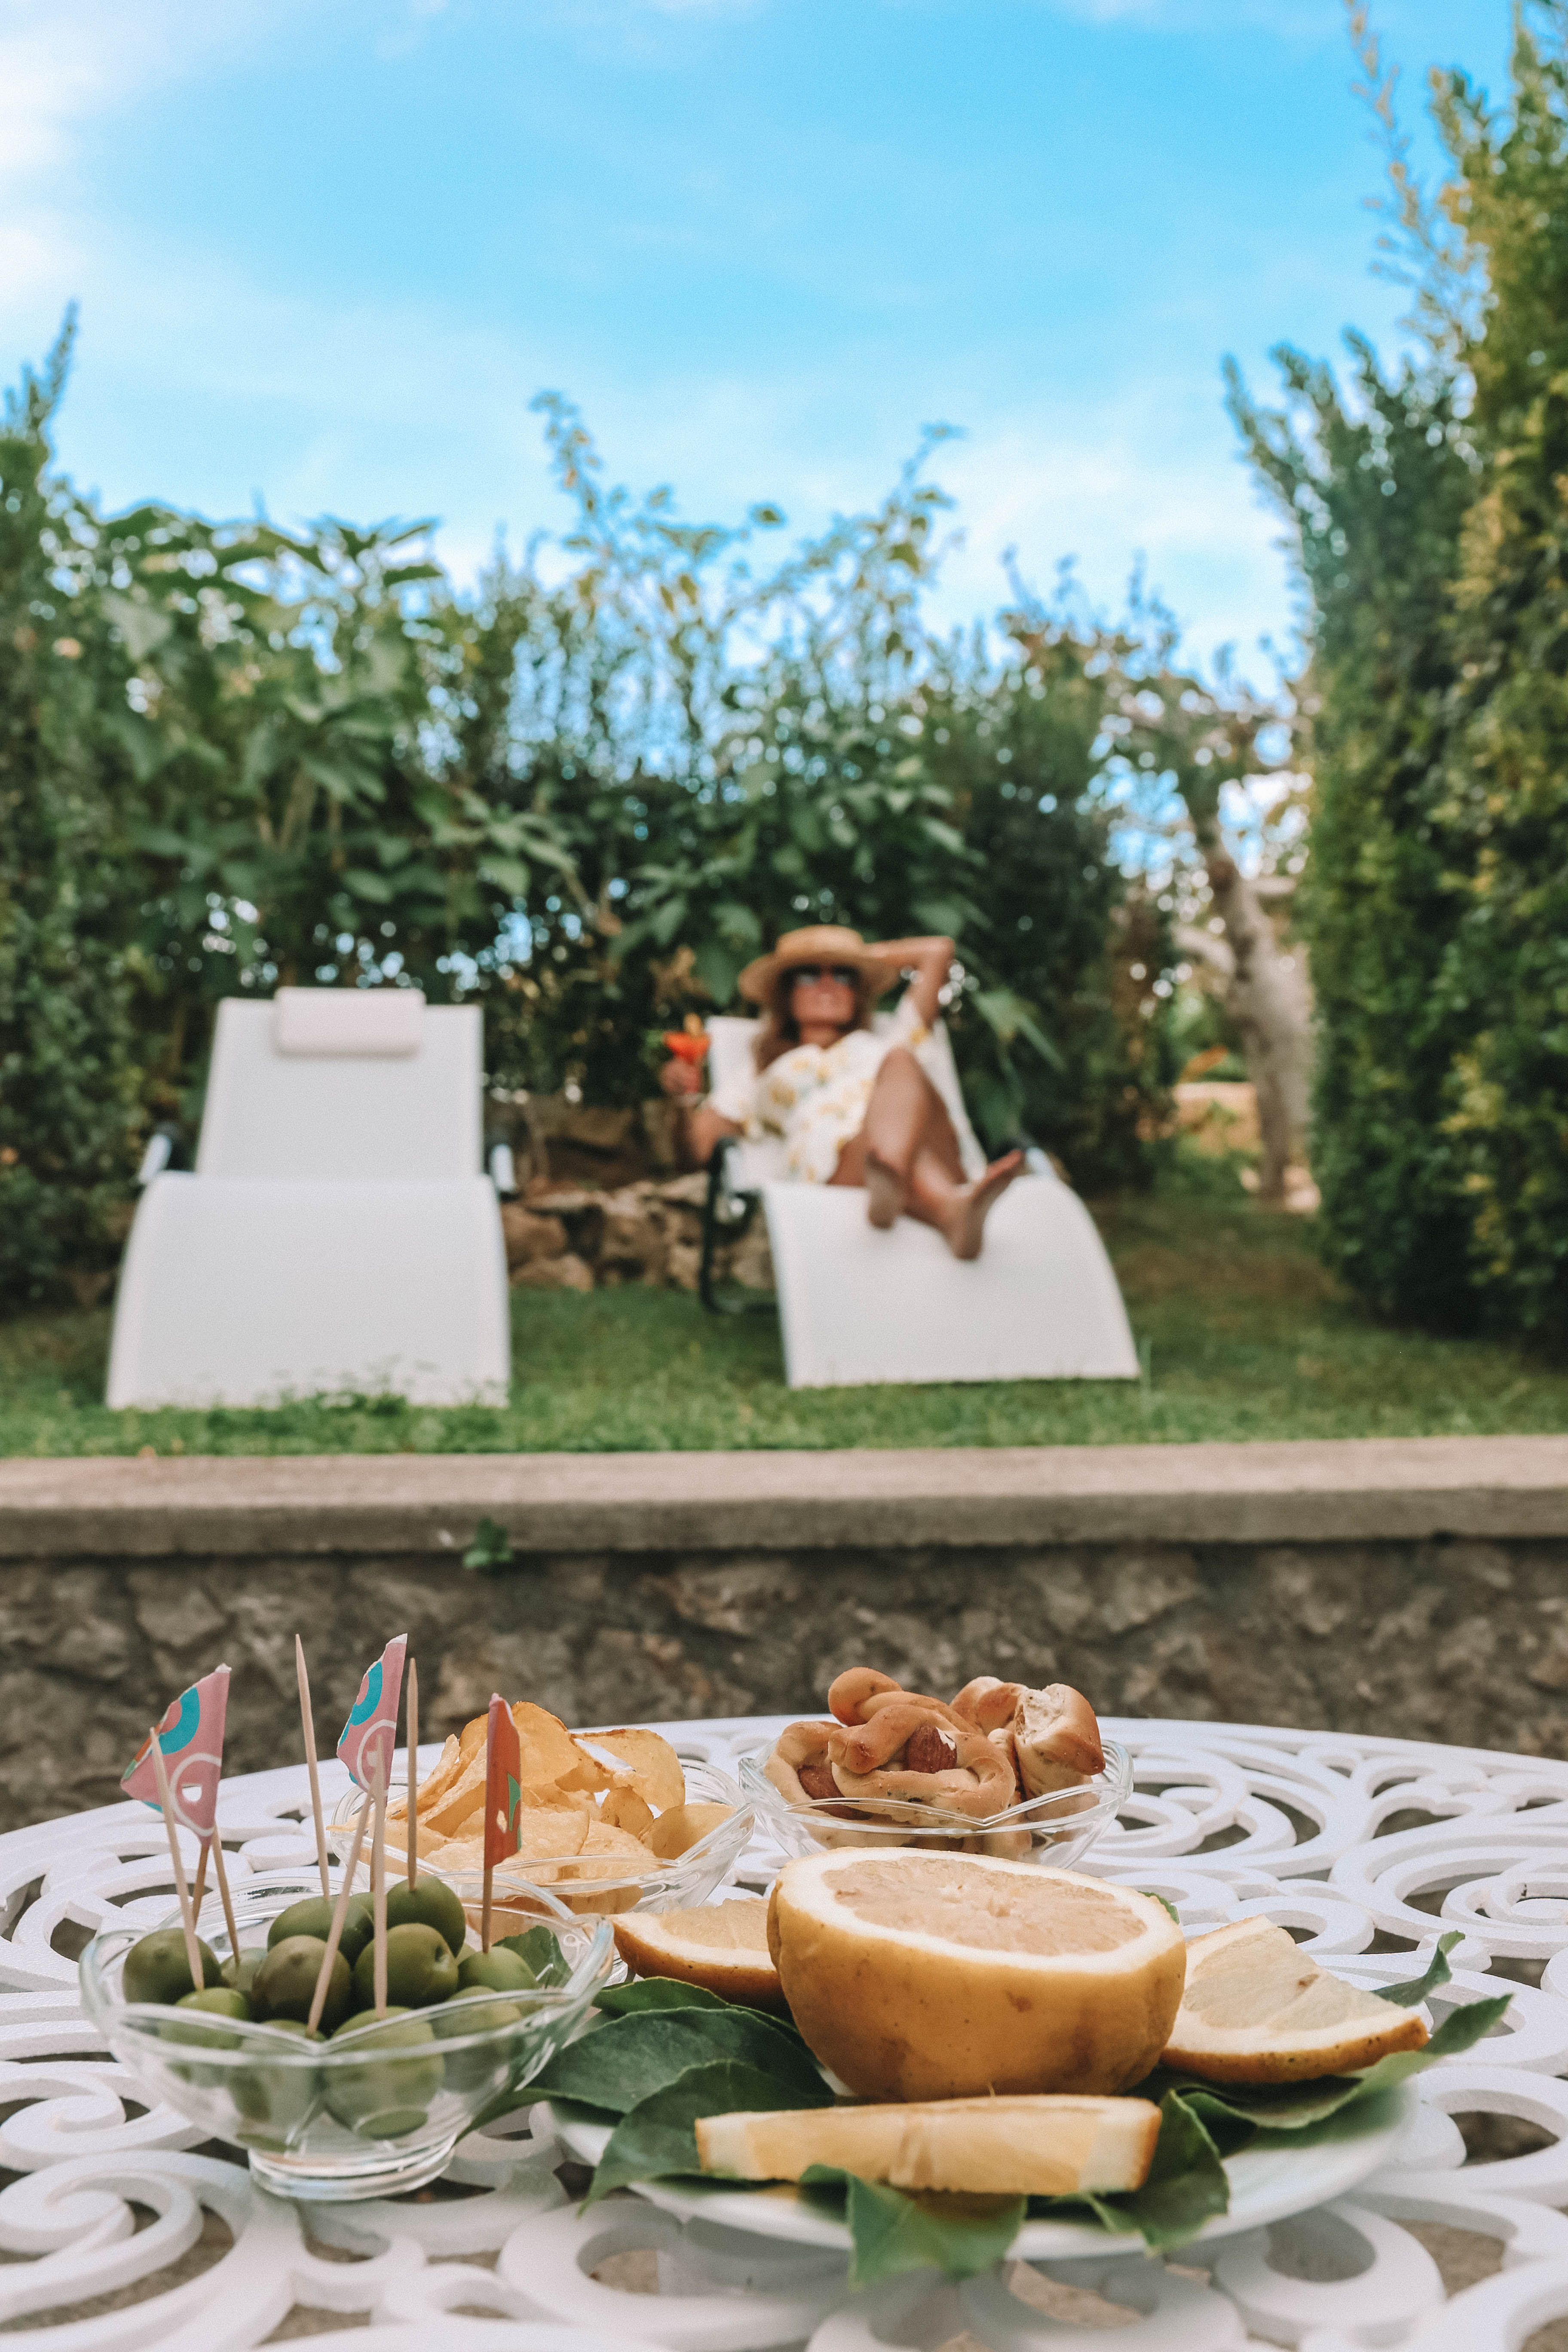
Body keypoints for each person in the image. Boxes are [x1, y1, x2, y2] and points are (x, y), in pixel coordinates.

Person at [660, 924, 1023, 1260]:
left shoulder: (889, 1040)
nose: (827, 984)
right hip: (840, 1165)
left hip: (920, 1146)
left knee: (901, 1063)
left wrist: (861, 959)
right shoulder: (757, 1075)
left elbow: (938, 950)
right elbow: (696, 1153)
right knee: (890, 1138)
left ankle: (892, 1183)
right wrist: (682, 1103)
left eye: (843, 976)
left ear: (857, 991)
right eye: (807, 974)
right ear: (785, 994)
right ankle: (946, 1209)